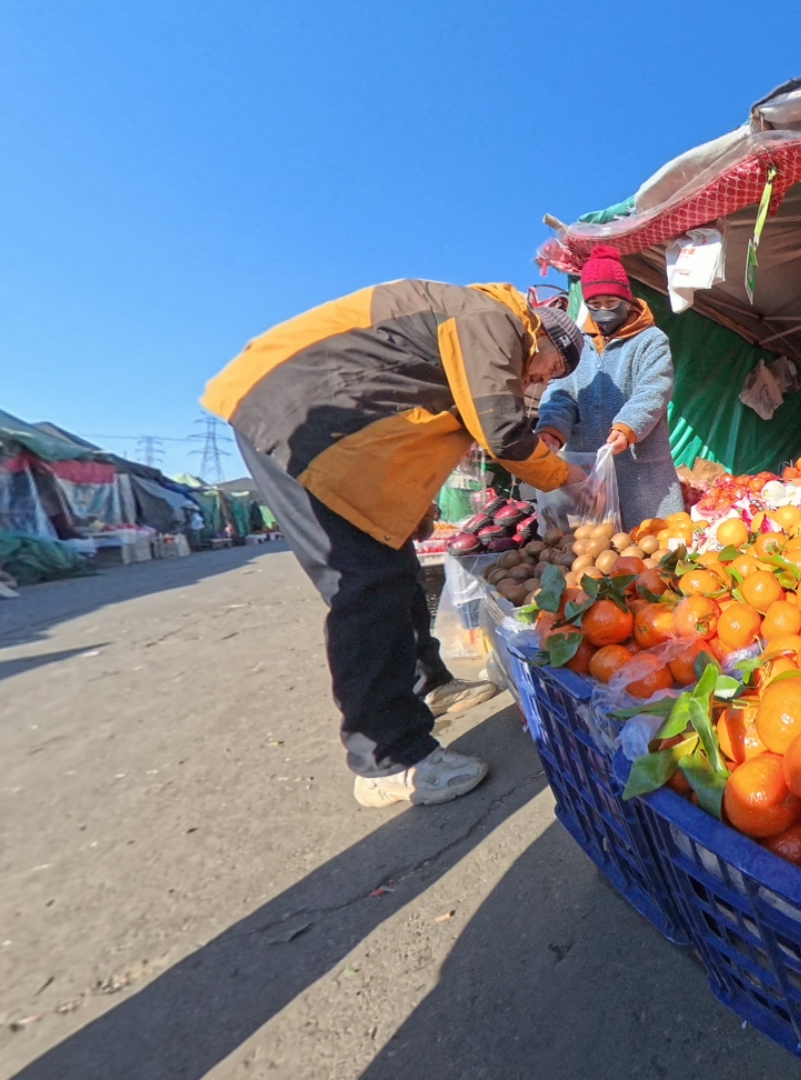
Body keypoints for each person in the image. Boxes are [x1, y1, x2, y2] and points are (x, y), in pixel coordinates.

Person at [201, 280, 588, 808]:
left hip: (334, 432)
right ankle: (388, 760)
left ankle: (427, 683)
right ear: (539, 331)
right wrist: (567, 477)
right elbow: (501, 431)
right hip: (292, 419)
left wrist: (413, 506)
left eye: (546, 380)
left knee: (394, 566)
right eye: (544, 368)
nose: (537, 379)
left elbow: (406, 415)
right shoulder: (490, 318)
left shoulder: (478, 320)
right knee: (364, 586)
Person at [537, 245, 686, 527]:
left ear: (626, 300)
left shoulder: (651, 340)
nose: (603, 310)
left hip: (642, 472)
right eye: (596, 304)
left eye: (610, 302)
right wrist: (552, 430)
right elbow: (561, 394)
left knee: (653, 546)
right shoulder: (578, 345)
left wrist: (628, 426)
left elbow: (654, 389)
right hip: (591, 473)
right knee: (593, 549)